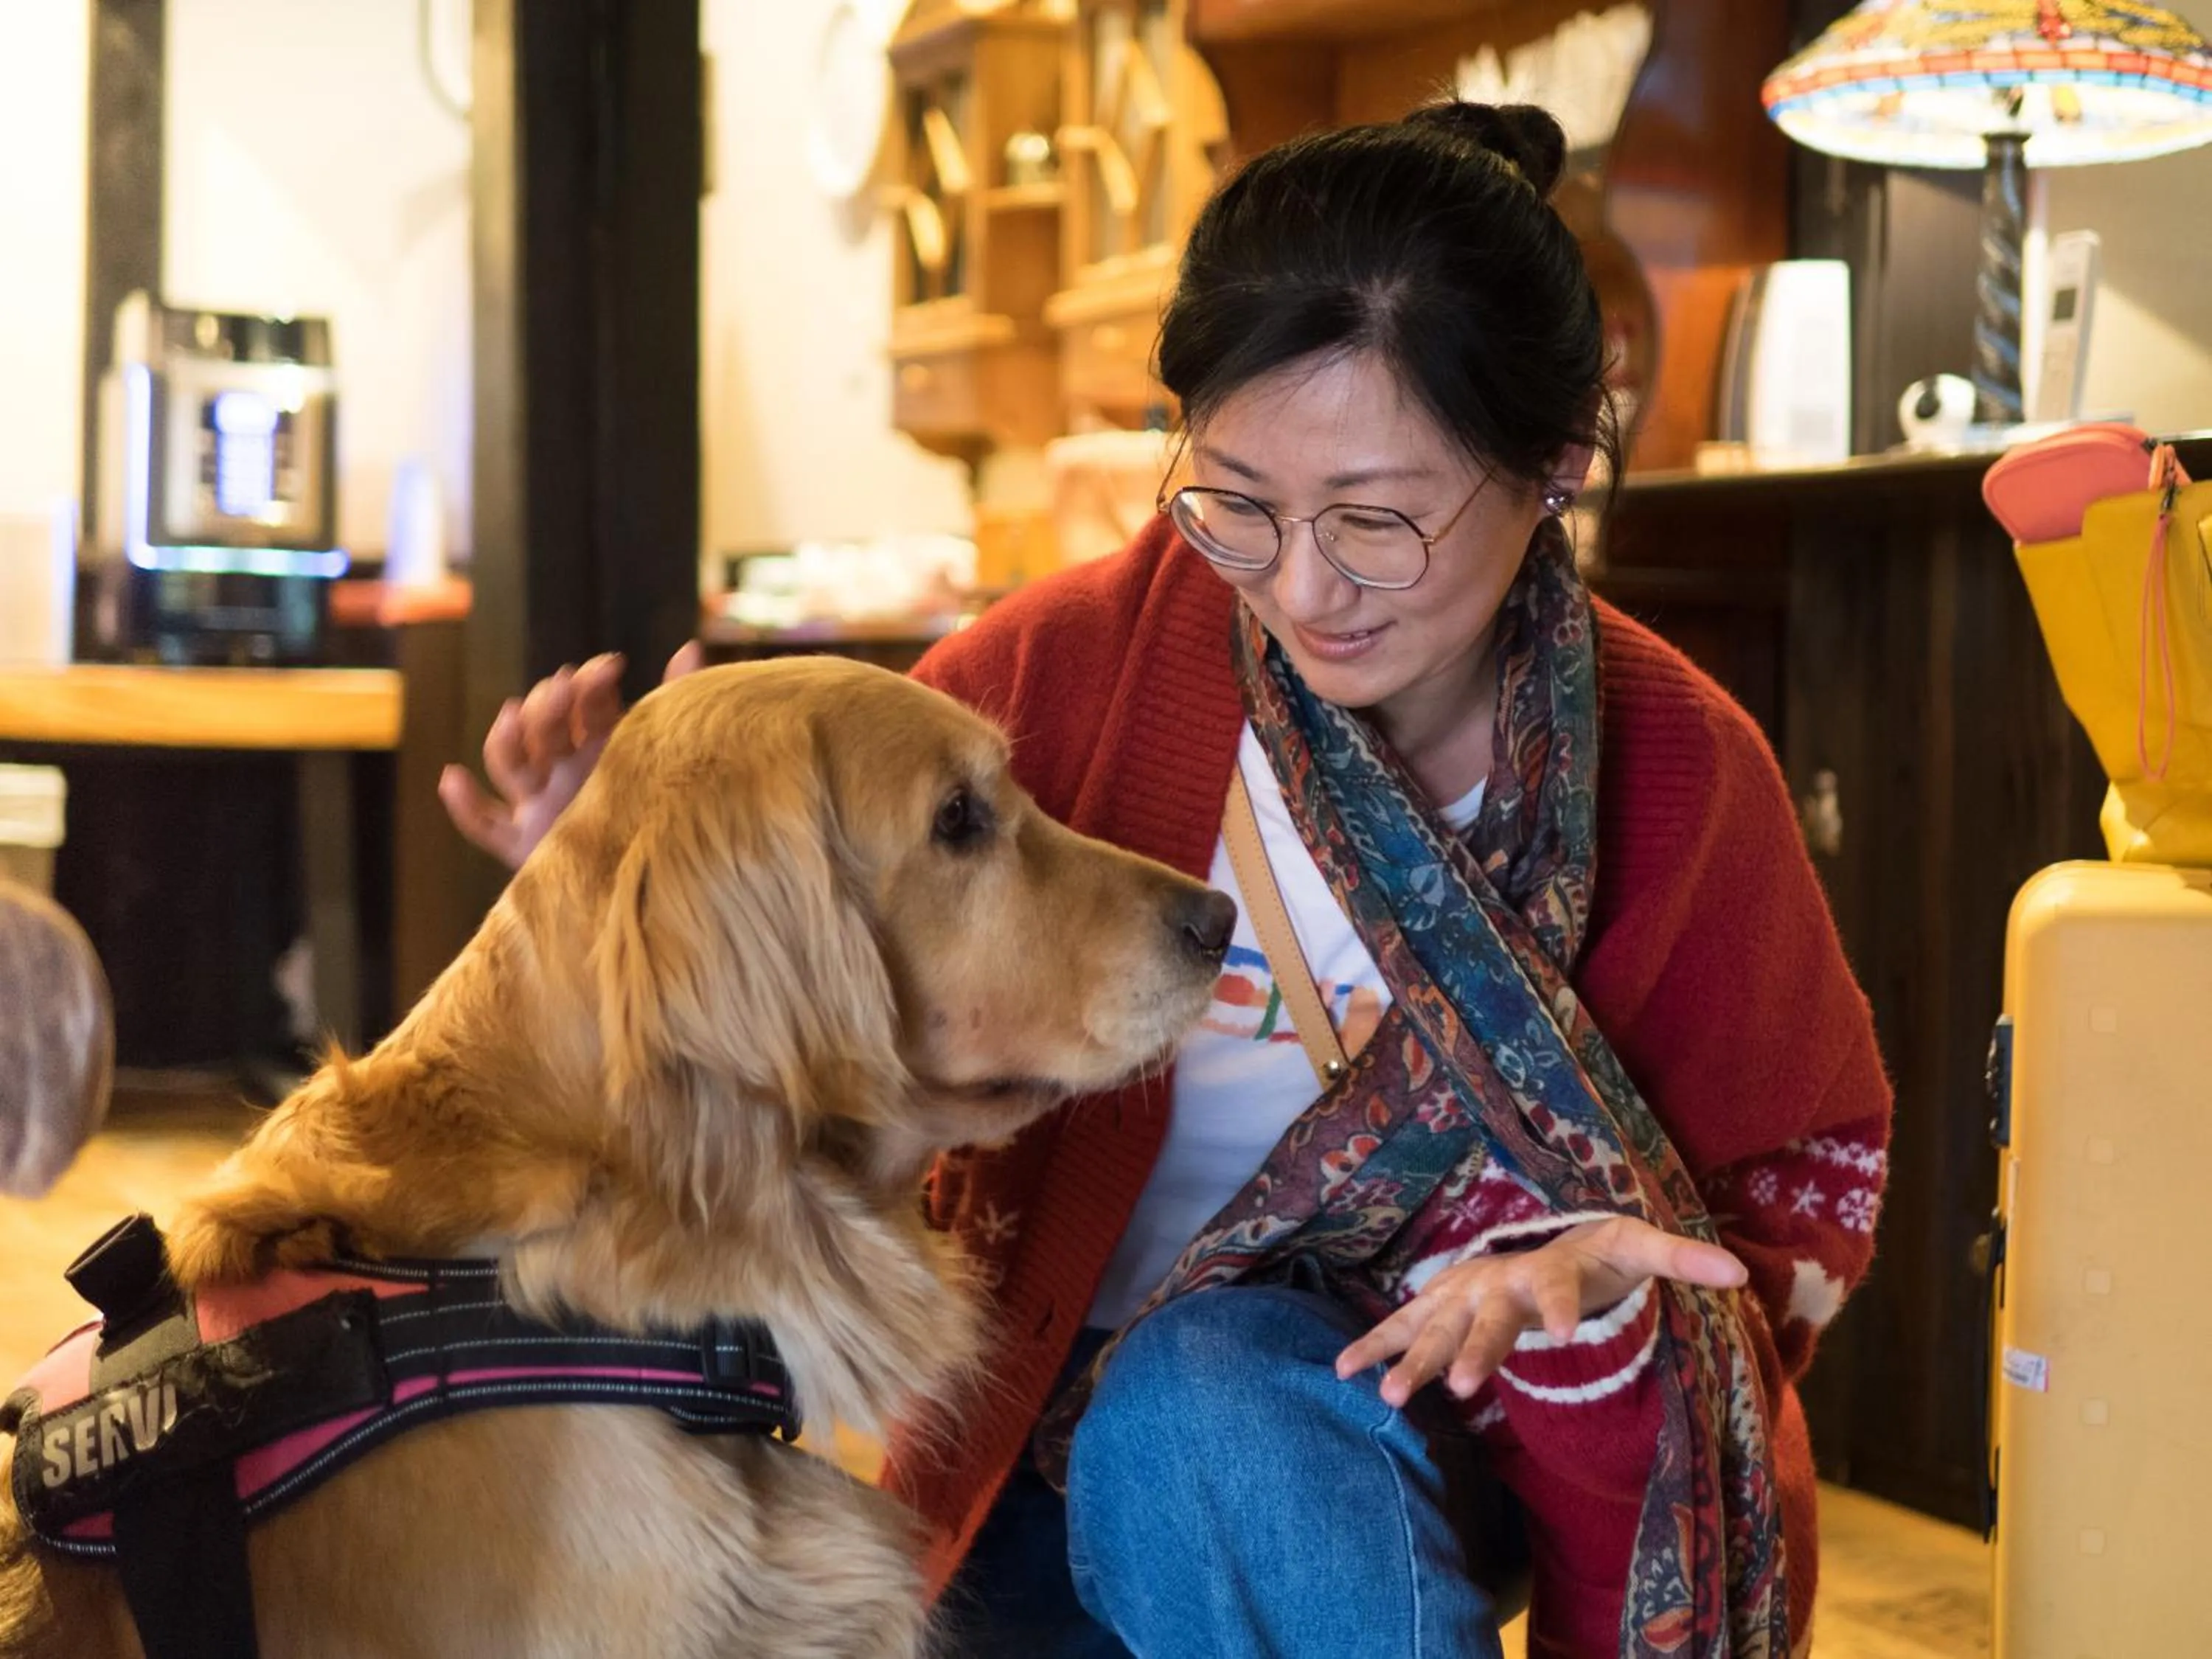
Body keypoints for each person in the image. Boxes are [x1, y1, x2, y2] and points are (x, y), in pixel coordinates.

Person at [442, 102, 1890, 1659]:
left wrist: (1599, 1291)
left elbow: (1797, 1189)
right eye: (1238, 504)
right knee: (1167, 1409)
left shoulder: (1677, 771)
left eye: (1379, 521)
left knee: (1212, 1402)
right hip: (1040, 1449)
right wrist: (651, 906)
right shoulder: (1051, 682)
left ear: (1552, 464)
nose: (1303, 587)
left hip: (1435, 1467)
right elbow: (803, 1018)